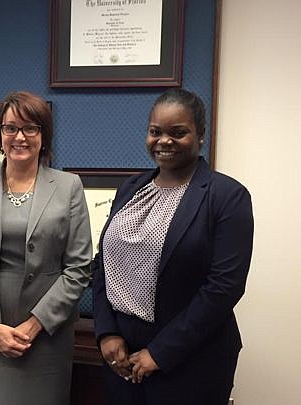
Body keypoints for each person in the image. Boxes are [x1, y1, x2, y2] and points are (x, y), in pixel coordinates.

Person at [93, 88, 254, 405]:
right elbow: (103, 263)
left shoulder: (227, 196)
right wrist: (106, 332)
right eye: (156, 132)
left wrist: (160, 352)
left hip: (192, 361)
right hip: (121, 358)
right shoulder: (131, 188)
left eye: (177, 133)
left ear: (201, 135)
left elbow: (224, 287)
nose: (164, 141)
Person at [0, 91, 93, 405]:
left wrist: (34, 324)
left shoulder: (69, 187)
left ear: (44, 134)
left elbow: (79, 268)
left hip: (45, 340)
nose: (20, 137)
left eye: (30, 128)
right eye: (10, 128)